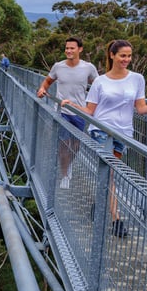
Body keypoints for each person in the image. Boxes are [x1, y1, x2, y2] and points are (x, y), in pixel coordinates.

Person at [61, 39, 147, 237]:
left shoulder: (137, 79)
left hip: (123, 134)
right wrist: (70, 104)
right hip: (101, 131)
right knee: (111, 173)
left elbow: (140, 108)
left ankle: (99, 203)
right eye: (123, 55)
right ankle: (116, 220)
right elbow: (90, 111)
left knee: (109, 175)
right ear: (112, 55)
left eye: (129, 56)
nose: (127, 59)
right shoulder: (100, 81)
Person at [36, 37, 98, 189]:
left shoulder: (88, 68)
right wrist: (42, 89)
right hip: (61, 111)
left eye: (72, 48)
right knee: (63, 145)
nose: (69, 51)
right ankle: (65, 175)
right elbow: (47, 82)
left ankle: (69, 166)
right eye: (67, 48)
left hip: (79, 112)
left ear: (80, 49)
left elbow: (98, 86)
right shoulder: (58, 66)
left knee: (75, 146)